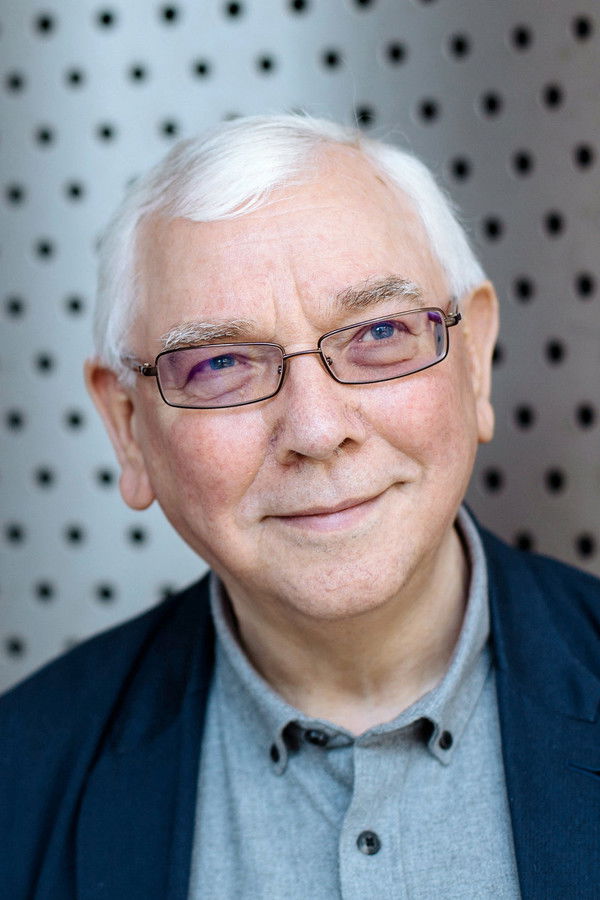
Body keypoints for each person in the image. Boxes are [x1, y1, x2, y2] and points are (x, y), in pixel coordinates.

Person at [1, 115, 598, 900]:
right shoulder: (19, 782)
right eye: (220, 364)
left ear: (476, 364)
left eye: (380, 331)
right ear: (128, 429)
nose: (317, 431)